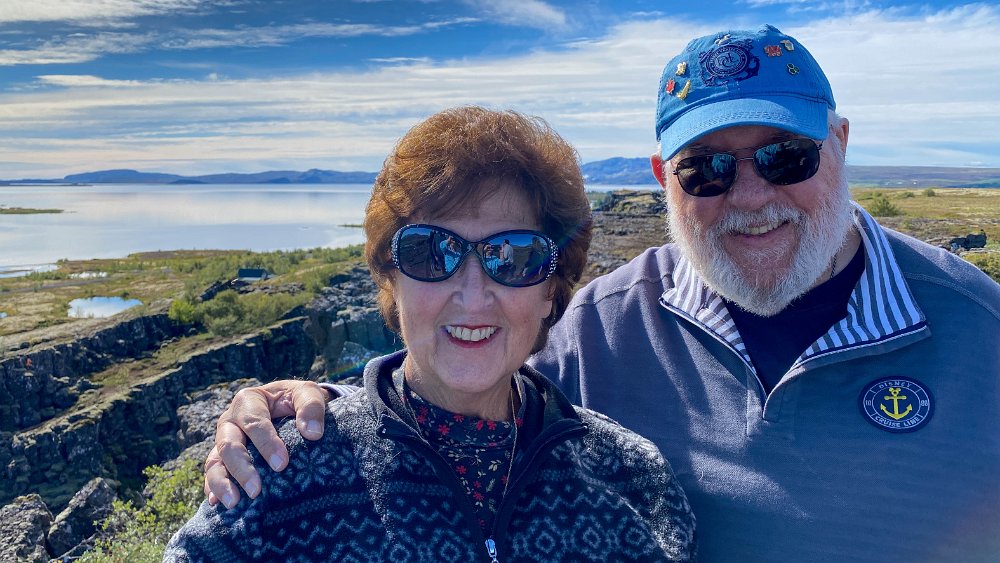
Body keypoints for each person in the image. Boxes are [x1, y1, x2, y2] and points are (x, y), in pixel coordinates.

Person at [203, 26, 1000, 561]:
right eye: (706, 170)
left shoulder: (981, 329)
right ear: (663, 180)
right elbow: (463, 364)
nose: (752, 196)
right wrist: (304, 406)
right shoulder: (604, 325)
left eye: (785, 156)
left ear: (841, 143)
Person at [166, 106, 697, 561]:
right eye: (431, 252)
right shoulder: (285, 474)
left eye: (514, 257)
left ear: (550, 291)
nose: (473, 295)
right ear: (390, 279)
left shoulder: (632, 478)